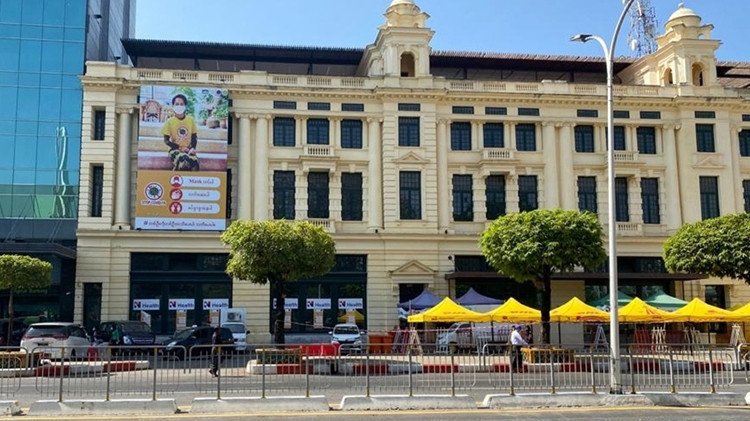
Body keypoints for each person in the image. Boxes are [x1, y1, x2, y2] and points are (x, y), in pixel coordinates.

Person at [162, 94, 200, 171]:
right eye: (177, 104)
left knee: (194, 161)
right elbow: (166, 141)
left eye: (181, 104)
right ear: (173, 106)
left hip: (188, 149)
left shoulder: (191, 120)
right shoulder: (169, 122)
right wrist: (180, 148)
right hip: (175, 149)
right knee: (183, 160)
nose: (179, 106)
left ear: (185, 106)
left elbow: (194, 137)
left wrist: (192, 148)